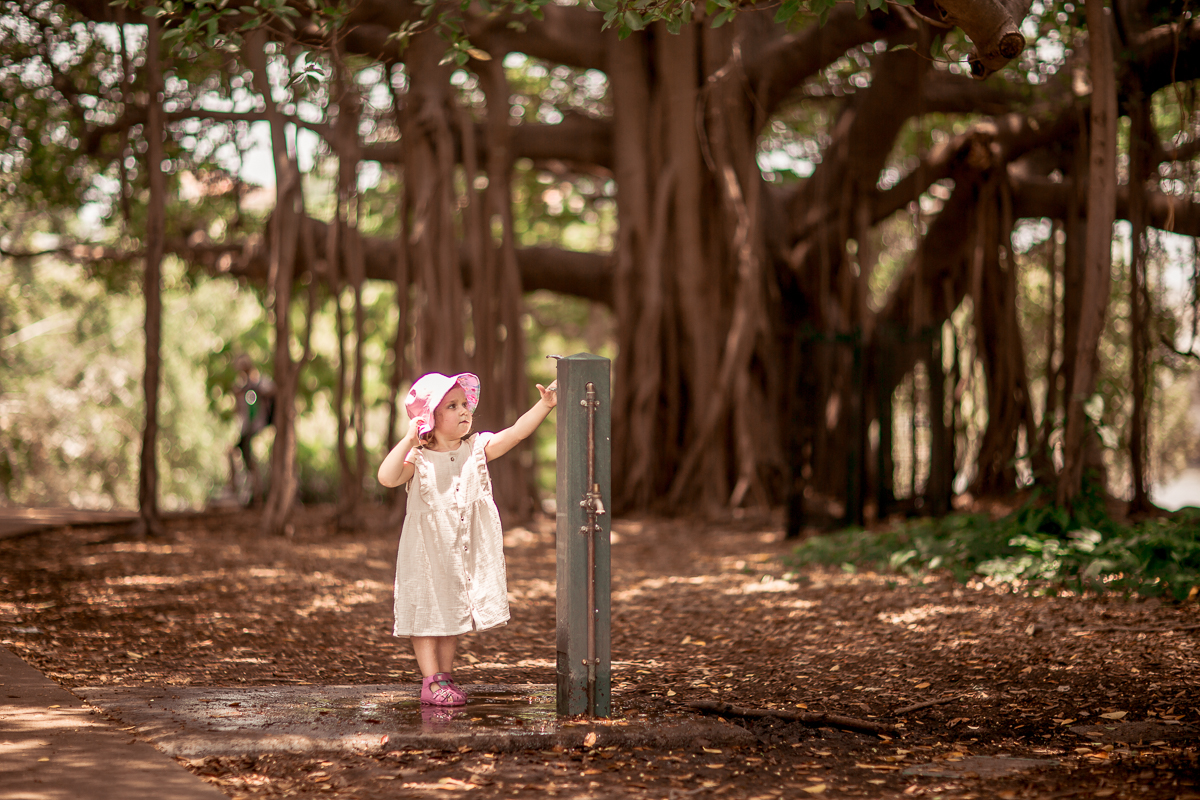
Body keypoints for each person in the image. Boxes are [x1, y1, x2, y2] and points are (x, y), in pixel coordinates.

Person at [377, 371, 557, 706]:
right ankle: (430, 682)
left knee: (452, 614)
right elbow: (386, 477)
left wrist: (544, 406)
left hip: (459, 552)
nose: (464, 411)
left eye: (465, 404)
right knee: (426, 614)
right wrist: (408, 439)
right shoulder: (417, 459)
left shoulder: (475, 449)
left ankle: (444, 676)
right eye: (452, 406)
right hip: (426, 553)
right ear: (430, 417)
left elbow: (515, 434)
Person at [229, 355, 275, 506]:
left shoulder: (261, 382)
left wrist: (255, 387)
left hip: (259, 427)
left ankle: (258, 494)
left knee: (252, 457)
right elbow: (238, 412)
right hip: (246, 428)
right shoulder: (241, 387)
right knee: (236, 453)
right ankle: (244, 491)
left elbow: (272, 392)